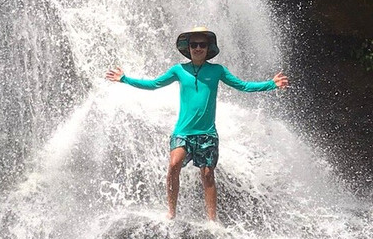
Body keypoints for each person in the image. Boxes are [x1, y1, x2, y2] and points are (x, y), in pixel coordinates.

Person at [106, 26, 289, 222]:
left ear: (208, 48)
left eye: (202, 44)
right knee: (174, 164)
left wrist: (271, 84)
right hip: (183, 131)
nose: (198, 48)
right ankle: (171, 212)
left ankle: (212, 220)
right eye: (194, 44)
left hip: (207, 132)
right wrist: (124, 79)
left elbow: (242, 86)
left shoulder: (217, 70)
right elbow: (154, 84)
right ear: (188, 47)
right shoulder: (179, 70)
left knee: (208, 174)